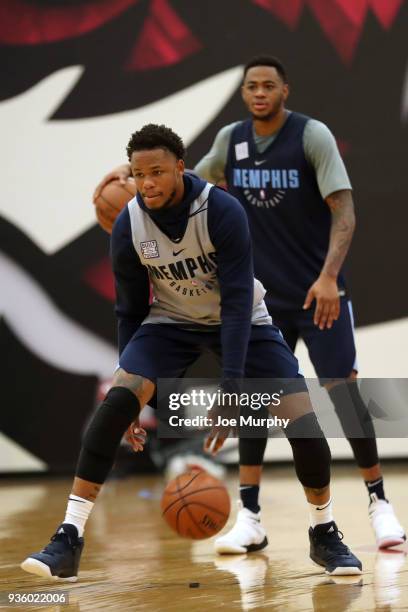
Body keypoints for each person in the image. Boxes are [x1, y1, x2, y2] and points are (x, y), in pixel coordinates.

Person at [93, 57, 405, 555]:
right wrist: (131, 177)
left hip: (317, 290)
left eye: (268, 85)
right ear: (243, 93)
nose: (259, 92)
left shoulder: (311, 136)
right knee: (258, 404)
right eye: (250, 86)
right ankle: (251, 516)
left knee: (342, 393)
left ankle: (379, 504)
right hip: (262, 294)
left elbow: (343, 207)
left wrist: (328, 276)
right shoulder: (232, 141)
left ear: (285, 89)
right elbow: (182, 176)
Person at [21, 124, 362, 581]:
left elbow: (238, 303)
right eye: (139, 175)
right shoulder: (128, 223)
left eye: (157, 172)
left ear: (181, 168)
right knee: (115, 403)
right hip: (172, 323)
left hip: (240, 320)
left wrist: (233, 389)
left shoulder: (221, 211)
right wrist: (134, 396)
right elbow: (128, 309)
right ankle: (68, 536)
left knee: (303, 420)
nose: (147, 184)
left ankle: (324, 533)